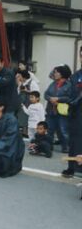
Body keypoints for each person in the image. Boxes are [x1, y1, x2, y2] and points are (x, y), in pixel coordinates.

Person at [44, 65, 72, 154]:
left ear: (62, 74)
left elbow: (70, 97)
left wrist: (58, 99)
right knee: (49, 129)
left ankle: (66, 147)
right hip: (51, 110)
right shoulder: (53, 83)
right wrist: (51, 99)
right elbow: (46, 94)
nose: (55, 74)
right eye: (55, 72)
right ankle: (48, 146)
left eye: (57, 72)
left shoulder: (69, 85)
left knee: (63, 130)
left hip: (62, 111)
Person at [64, 46, 82, 177]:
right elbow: (69, 94)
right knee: (74, 141)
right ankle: (71, 167)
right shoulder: (75, 76)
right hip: (76, 114)